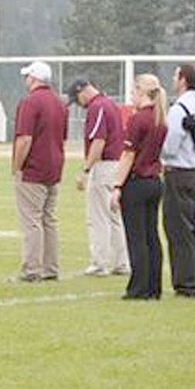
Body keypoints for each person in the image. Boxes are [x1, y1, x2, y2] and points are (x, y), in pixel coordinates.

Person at [110, 74, 168, 300]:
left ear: (141, 92)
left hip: (137, 182)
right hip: (154, 181)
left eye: (133, 92)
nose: (131, 96)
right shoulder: (159, 118)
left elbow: (128, 155)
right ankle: (153, 286)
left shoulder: (138, 119)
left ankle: (138, 287)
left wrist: (117, 185)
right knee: (151, 235)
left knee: (137, 237)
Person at [66, 79, 129, 277]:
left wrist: (85, 170)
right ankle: (121, 263)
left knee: (98, 217)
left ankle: (99, 263)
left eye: (77, 100)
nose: (80, 105)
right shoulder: (109, 103)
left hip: (103, 166)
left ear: (82, 91)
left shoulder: (97, 107)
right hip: (116, 165)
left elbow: (98, 141)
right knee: (114, 217)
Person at [11, 61, 67, 282]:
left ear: (34, 78)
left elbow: (24, 138)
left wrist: (17, 166)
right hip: (55, 166)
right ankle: (50, 267)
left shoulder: (30, 102)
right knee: (49, 219)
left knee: (31, 220)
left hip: (34, 167)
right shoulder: (60, 103)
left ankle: (32, 269)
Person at [161, 64, 195, 297]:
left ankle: (185, 283)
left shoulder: (178, 108)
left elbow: (170, 146)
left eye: (176, 75)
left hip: (178, 171)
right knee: (193, 228)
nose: (173, 79)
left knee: (178, 229)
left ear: (183, 79)